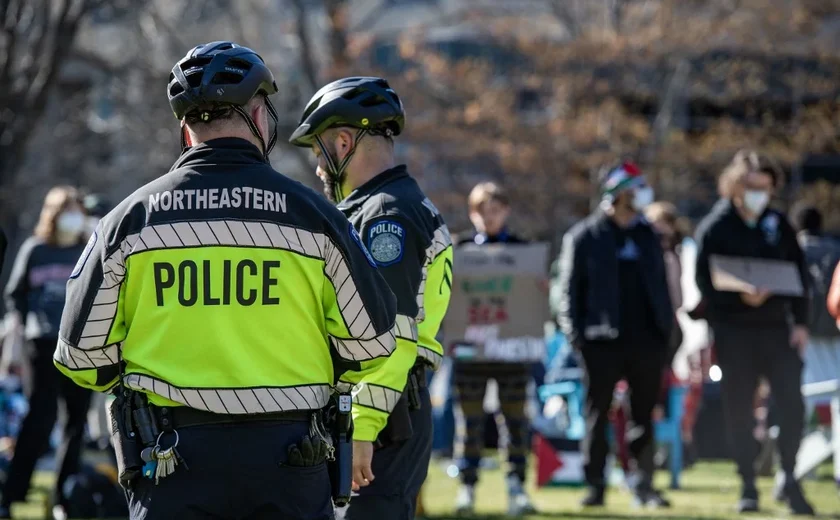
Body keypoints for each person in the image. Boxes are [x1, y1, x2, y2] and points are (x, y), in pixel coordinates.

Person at [53, 42, 402, 520]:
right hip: (291, 459)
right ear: (260, 116)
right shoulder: (315, 216)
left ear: (185, 128)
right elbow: (374, 342)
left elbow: (78, 356)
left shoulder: (129, 221)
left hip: (169, 458)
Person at [290, 76, 453, 520]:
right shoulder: (385, 205)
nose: (319, 167)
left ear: (343, 142)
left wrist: (362, 426)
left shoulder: (386, 216)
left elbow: (392, 335)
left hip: (381, 418)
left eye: (319, 150)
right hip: (384, 411)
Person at [694, 150, 814, 515]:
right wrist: (738, 295)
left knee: (792, 404)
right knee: (739, 410)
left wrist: (802, 323)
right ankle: (748, 482)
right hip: (735, 332)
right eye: (751, 186)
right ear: (736, 185)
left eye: (765, 188)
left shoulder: (779, 225)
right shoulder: (716, 226)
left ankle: (789, 476)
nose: (759, 194)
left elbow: (800, 275)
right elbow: (703, 281)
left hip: (777, 330)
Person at [556, 162, 673, 508]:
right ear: (620, 194)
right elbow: (568, 290)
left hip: (647, 341)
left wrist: (666, 330)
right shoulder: (584, 236)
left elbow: (663, 287)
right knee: (597, 413)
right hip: (599, 342)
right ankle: (595, 486)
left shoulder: (649, 235)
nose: (643, 195)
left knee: (643, 415)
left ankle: (644, 484)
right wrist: (575, 334)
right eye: (637, 189)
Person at [0, 186, 92, 519]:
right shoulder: (35, 249)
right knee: (39, 420)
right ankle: (12, 494)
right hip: (41, 346)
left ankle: (64, 498)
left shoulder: (87, 249)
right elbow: (15, 294)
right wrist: (27, 326)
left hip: (80, 347)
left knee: (76, 422)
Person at [451, 182, 536, 516]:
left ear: (506, 211)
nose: (489, 218)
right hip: (470, 350)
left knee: (515, 421)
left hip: (511, 351)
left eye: (495, 210)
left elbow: (532, 299)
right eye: (482, 212)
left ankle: (517, 487)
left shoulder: (522, 250)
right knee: (468, 421)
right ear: (473, 214)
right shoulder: (458, 249)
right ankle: (467, 487)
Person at [791, 205, 840, 423]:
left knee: (804, 387)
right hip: (834, 328)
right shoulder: (836, 250)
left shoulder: (794, 249)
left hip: (803, 330)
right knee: (835, 385)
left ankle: (799, 440)